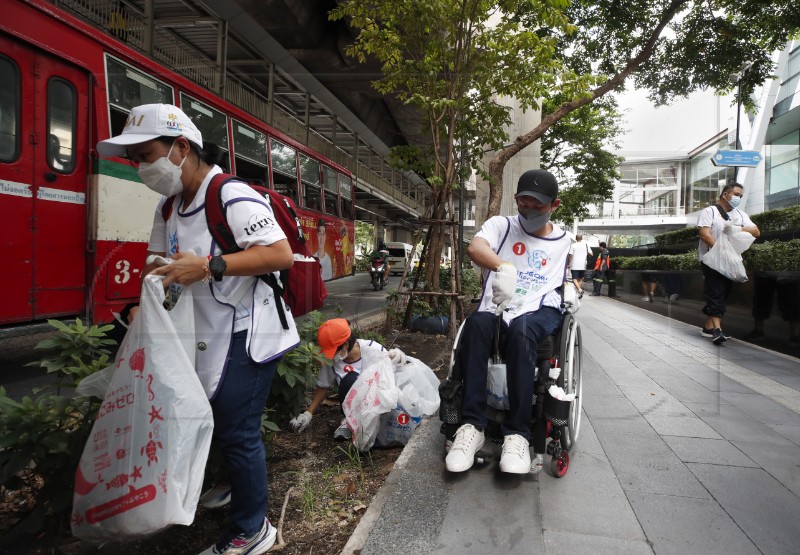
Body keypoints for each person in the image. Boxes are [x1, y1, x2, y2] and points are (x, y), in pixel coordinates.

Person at [97, 103, 300, 555]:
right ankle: (232, 484)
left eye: (145, 154)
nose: (140, 167)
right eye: (133, 159)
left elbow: (280, 254)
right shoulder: (168, 209)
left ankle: (254, 529)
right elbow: (154, 263)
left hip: (250, 331)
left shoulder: (231, 195)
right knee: (214, 414)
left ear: (181, 148)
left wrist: (209, 266)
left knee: (238, 428)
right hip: (202, 333)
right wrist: (143, 303)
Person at [445, 169, 570, 475]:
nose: (529, 210)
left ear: (555, 205)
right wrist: (503, 266)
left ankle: (518, 434)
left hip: (539, 308)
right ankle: (472, 426)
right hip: (501, 303)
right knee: (476, 325)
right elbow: (476, 248)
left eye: (538, 205)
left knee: (524, 331)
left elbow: (565, 282)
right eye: (523, 202)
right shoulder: (502, 226)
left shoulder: (564, 240)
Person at [288, 318, 406, 440]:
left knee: (354, 378)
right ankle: (350, 421)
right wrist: (308, 413)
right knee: (349, 380)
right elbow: (323, 386)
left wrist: (396, 360)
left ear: (345, 345)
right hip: (352, 407)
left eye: (334, 352)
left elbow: (391, 378)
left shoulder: (373, 349)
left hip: (377, 403)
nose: (331, 356)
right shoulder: (332, 362)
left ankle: (377, 422)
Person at [697, 180, 760, 345]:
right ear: (725, 195)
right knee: (716, 291)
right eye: (736, 195)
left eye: (740, 196)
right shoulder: (710, 211)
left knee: (722, 293)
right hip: (711, 259)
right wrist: (721, 250)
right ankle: (717, 330)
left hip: (731, 260)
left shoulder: (740, 215)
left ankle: (707, 328)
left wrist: (738, 229)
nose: (738, 198)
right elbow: (704, 234)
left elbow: (756, 231)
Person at [567, 234, 592, 298]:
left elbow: (570, 255)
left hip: (575, 264)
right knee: (580, 279)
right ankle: (578, 293)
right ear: (582, 238)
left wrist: (569, 263)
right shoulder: (586, 245)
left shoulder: (573, 245)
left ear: (576, 238)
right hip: (583, 265)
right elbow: (591, 254)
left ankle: (579, 290)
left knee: (574, 279)